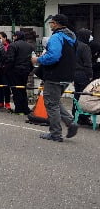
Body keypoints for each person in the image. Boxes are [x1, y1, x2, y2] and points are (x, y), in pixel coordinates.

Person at [31, 14, 78, 142]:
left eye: (51, 22)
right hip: (67, 75)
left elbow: (54, 56)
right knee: (55, 102)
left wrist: (38, 59)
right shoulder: (71, 37)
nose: (50, 24)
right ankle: (71, 123)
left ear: (56, 23)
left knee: (51, 104)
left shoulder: (56, 37)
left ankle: (55, 133)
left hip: (54, 75)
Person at [4, 31, 33, 115]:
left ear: (16, 36)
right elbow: (31, 59)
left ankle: (19, 109)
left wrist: (6, 69)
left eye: (14, 36)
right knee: (23, 89)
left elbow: (10, 59)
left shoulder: (13, 45)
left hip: (15, 70)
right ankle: (25, 108)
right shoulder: (29, 46)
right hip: (26, 70)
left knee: (16, 90)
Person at [72, 28, 93, 123]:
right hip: (83, 73)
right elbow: (88, 63)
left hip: (74, 73)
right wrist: (90, 75)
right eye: (89, 35)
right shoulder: (85, 47)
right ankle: (83, 117)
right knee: (84, 96)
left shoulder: (73, 45)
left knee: (77, 94)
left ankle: (75, 113)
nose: (91, 37)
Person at [0, 31, 12, 110]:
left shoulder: (10, 46)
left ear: (5, 38)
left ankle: (7, 102)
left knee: (6, 87)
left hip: (7, 69)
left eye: (0, 38)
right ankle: (0, 102)